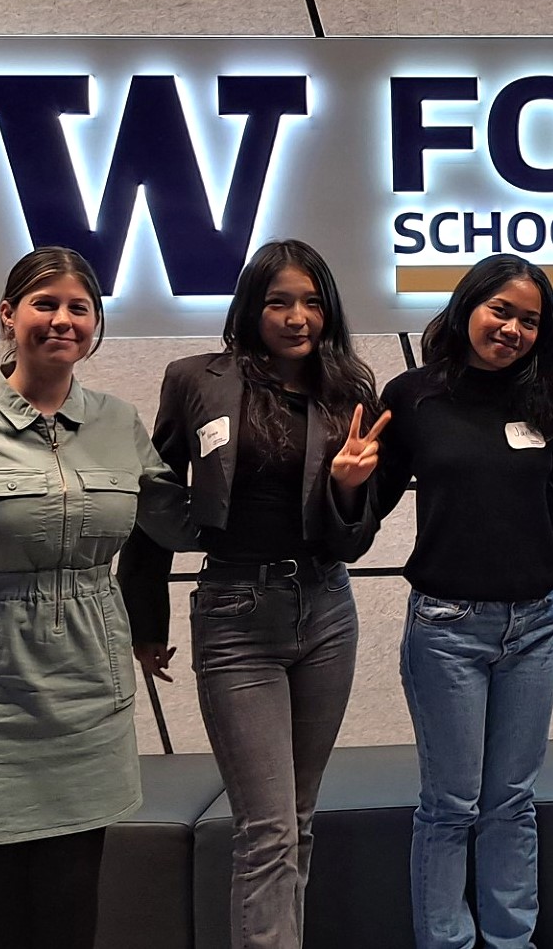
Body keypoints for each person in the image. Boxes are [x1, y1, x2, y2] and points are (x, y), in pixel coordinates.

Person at [0, 247, 196, 949]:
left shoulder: (118, 421)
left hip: (88, 688)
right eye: (45, 304)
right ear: (9, 314)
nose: (62, 320)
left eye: (79, 307)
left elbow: (183, 521)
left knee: (72, 896)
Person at [115, 239, 385, 949]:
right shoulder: (196, 380)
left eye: (311, 301)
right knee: (266, 827)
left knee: (297, 817)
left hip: (327, 610)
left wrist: (351, 492)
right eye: (279, 301)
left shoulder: (351, 386)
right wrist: (147, 617)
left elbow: (354, 540)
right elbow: (154, 499)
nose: (297, 317)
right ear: (251, 306)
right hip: (236, 612)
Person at [373, 254, 553, 949]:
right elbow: (363, 507)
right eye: (502, 311)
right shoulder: (412, 397)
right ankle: (447, 942)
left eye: (530, 320)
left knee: (511, 803)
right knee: (451, 805)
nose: (513, 329)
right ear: (468, 307)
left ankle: (511, 940)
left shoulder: (543, 401)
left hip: (535, 626)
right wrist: (344, 483)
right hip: (447, 628)